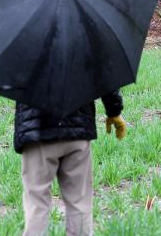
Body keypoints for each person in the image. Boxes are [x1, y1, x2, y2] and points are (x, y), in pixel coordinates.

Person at [14, 92, 126, 236]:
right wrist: (113, 111)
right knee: (79, 202)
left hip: (37, 132)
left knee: (37, 204)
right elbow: (105, 73)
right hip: (77, 130)